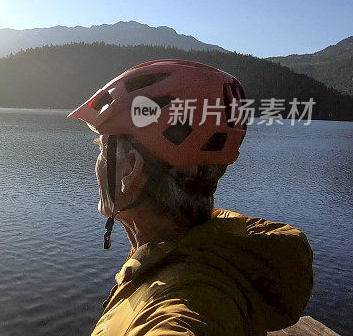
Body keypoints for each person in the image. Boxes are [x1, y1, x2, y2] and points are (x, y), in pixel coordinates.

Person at [68, 59, 313, 335]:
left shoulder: (187, 304)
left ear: (132, 170)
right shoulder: (199, 244)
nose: (97, 163)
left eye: (101, 148)